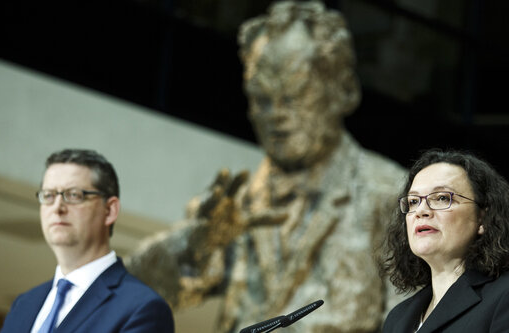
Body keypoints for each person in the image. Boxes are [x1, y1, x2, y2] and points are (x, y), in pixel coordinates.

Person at [126, 1, 406, 332]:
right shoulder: (235, 204)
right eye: (261, 99)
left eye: (294, 95)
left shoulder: (390, 193)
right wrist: (194, 245)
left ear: (343, 89)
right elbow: (129, 296)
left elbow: (415, 319)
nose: (275, 114)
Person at [379, 149, 509, 332]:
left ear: (483, 219)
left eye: (442, 198)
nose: (421, 211)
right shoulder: (398, 318)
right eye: (413, 201)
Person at [0, 149, 174, 333]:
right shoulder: (24, 305)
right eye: (49, 195)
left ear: (109, 210)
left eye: (74, 195)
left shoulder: (141, 308)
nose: (57, 207)